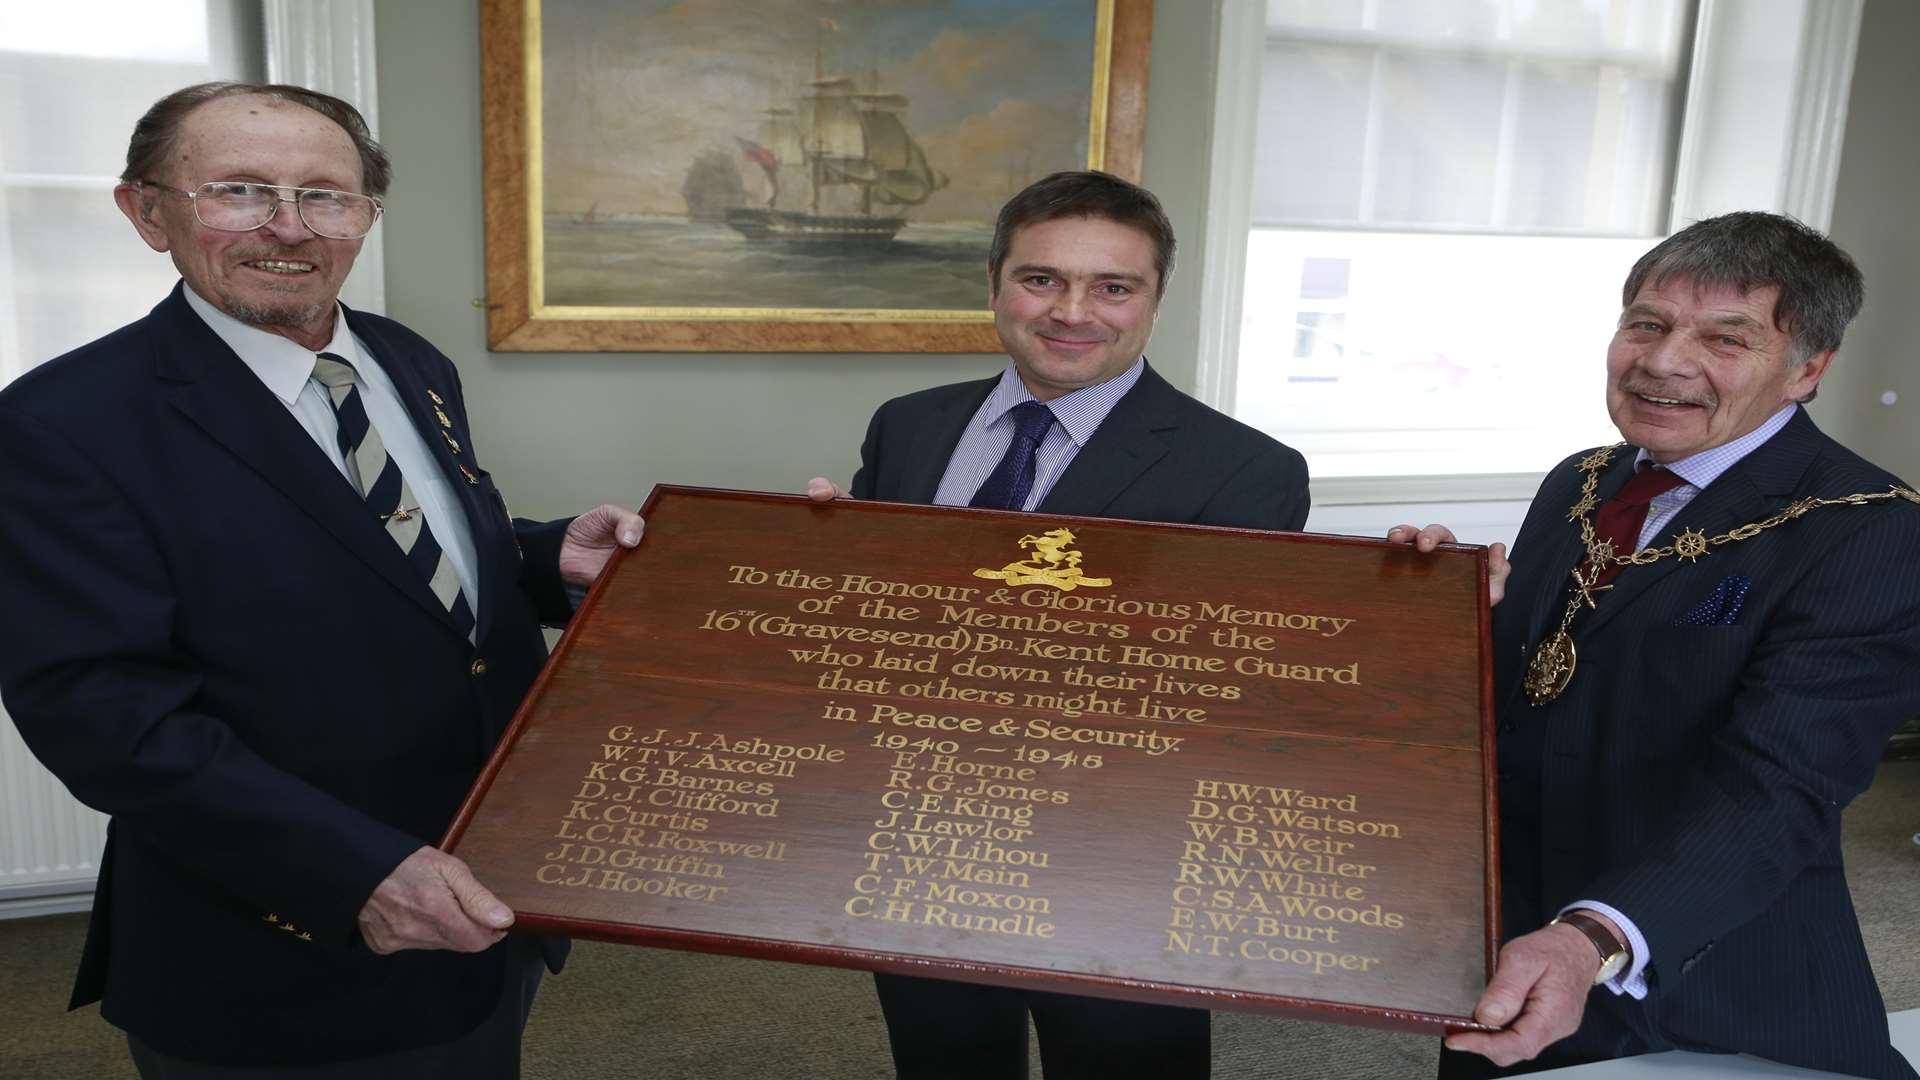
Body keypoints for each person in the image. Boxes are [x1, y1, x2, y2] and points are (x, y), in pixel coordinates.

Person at [0, 82, 644, 1078]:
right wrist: (355, 872)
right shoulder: (63, 425)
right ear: (148, 211)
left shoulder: (407, 359)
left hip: (482, 904)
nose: (287, 229)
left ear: (366, 216)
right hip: (277, 947)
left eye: (325, 198)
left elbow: (394, 555)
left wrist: (547, 559)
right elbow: (105, 712)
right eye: (240, 192)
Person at [1394, 212, 1920, 1079]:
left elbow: (1780, 787)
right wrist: (1443, 622)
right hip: (1516, 950)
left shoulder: (1869, 532)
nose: (1664, 360)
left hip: (1706, 985)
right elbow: (1551, 687)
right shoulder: (1584, 480)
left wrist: (1593, 938)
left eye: (1726, 337)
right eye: (1646, 322)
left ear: (1808, 370)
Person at [809, 170, 1309, 1079]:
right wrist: (828, 557)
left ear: (1155, 300)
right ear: (995, 282)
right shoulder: (909, 428)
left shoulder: (1244, 472)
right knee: (943, 1057)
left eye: (1114, 287)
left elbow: (1228, 696)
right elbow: (886, 627)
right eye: (1042, 279)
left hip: (1113, 858)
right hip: (923, 834)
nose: (1073, 311)